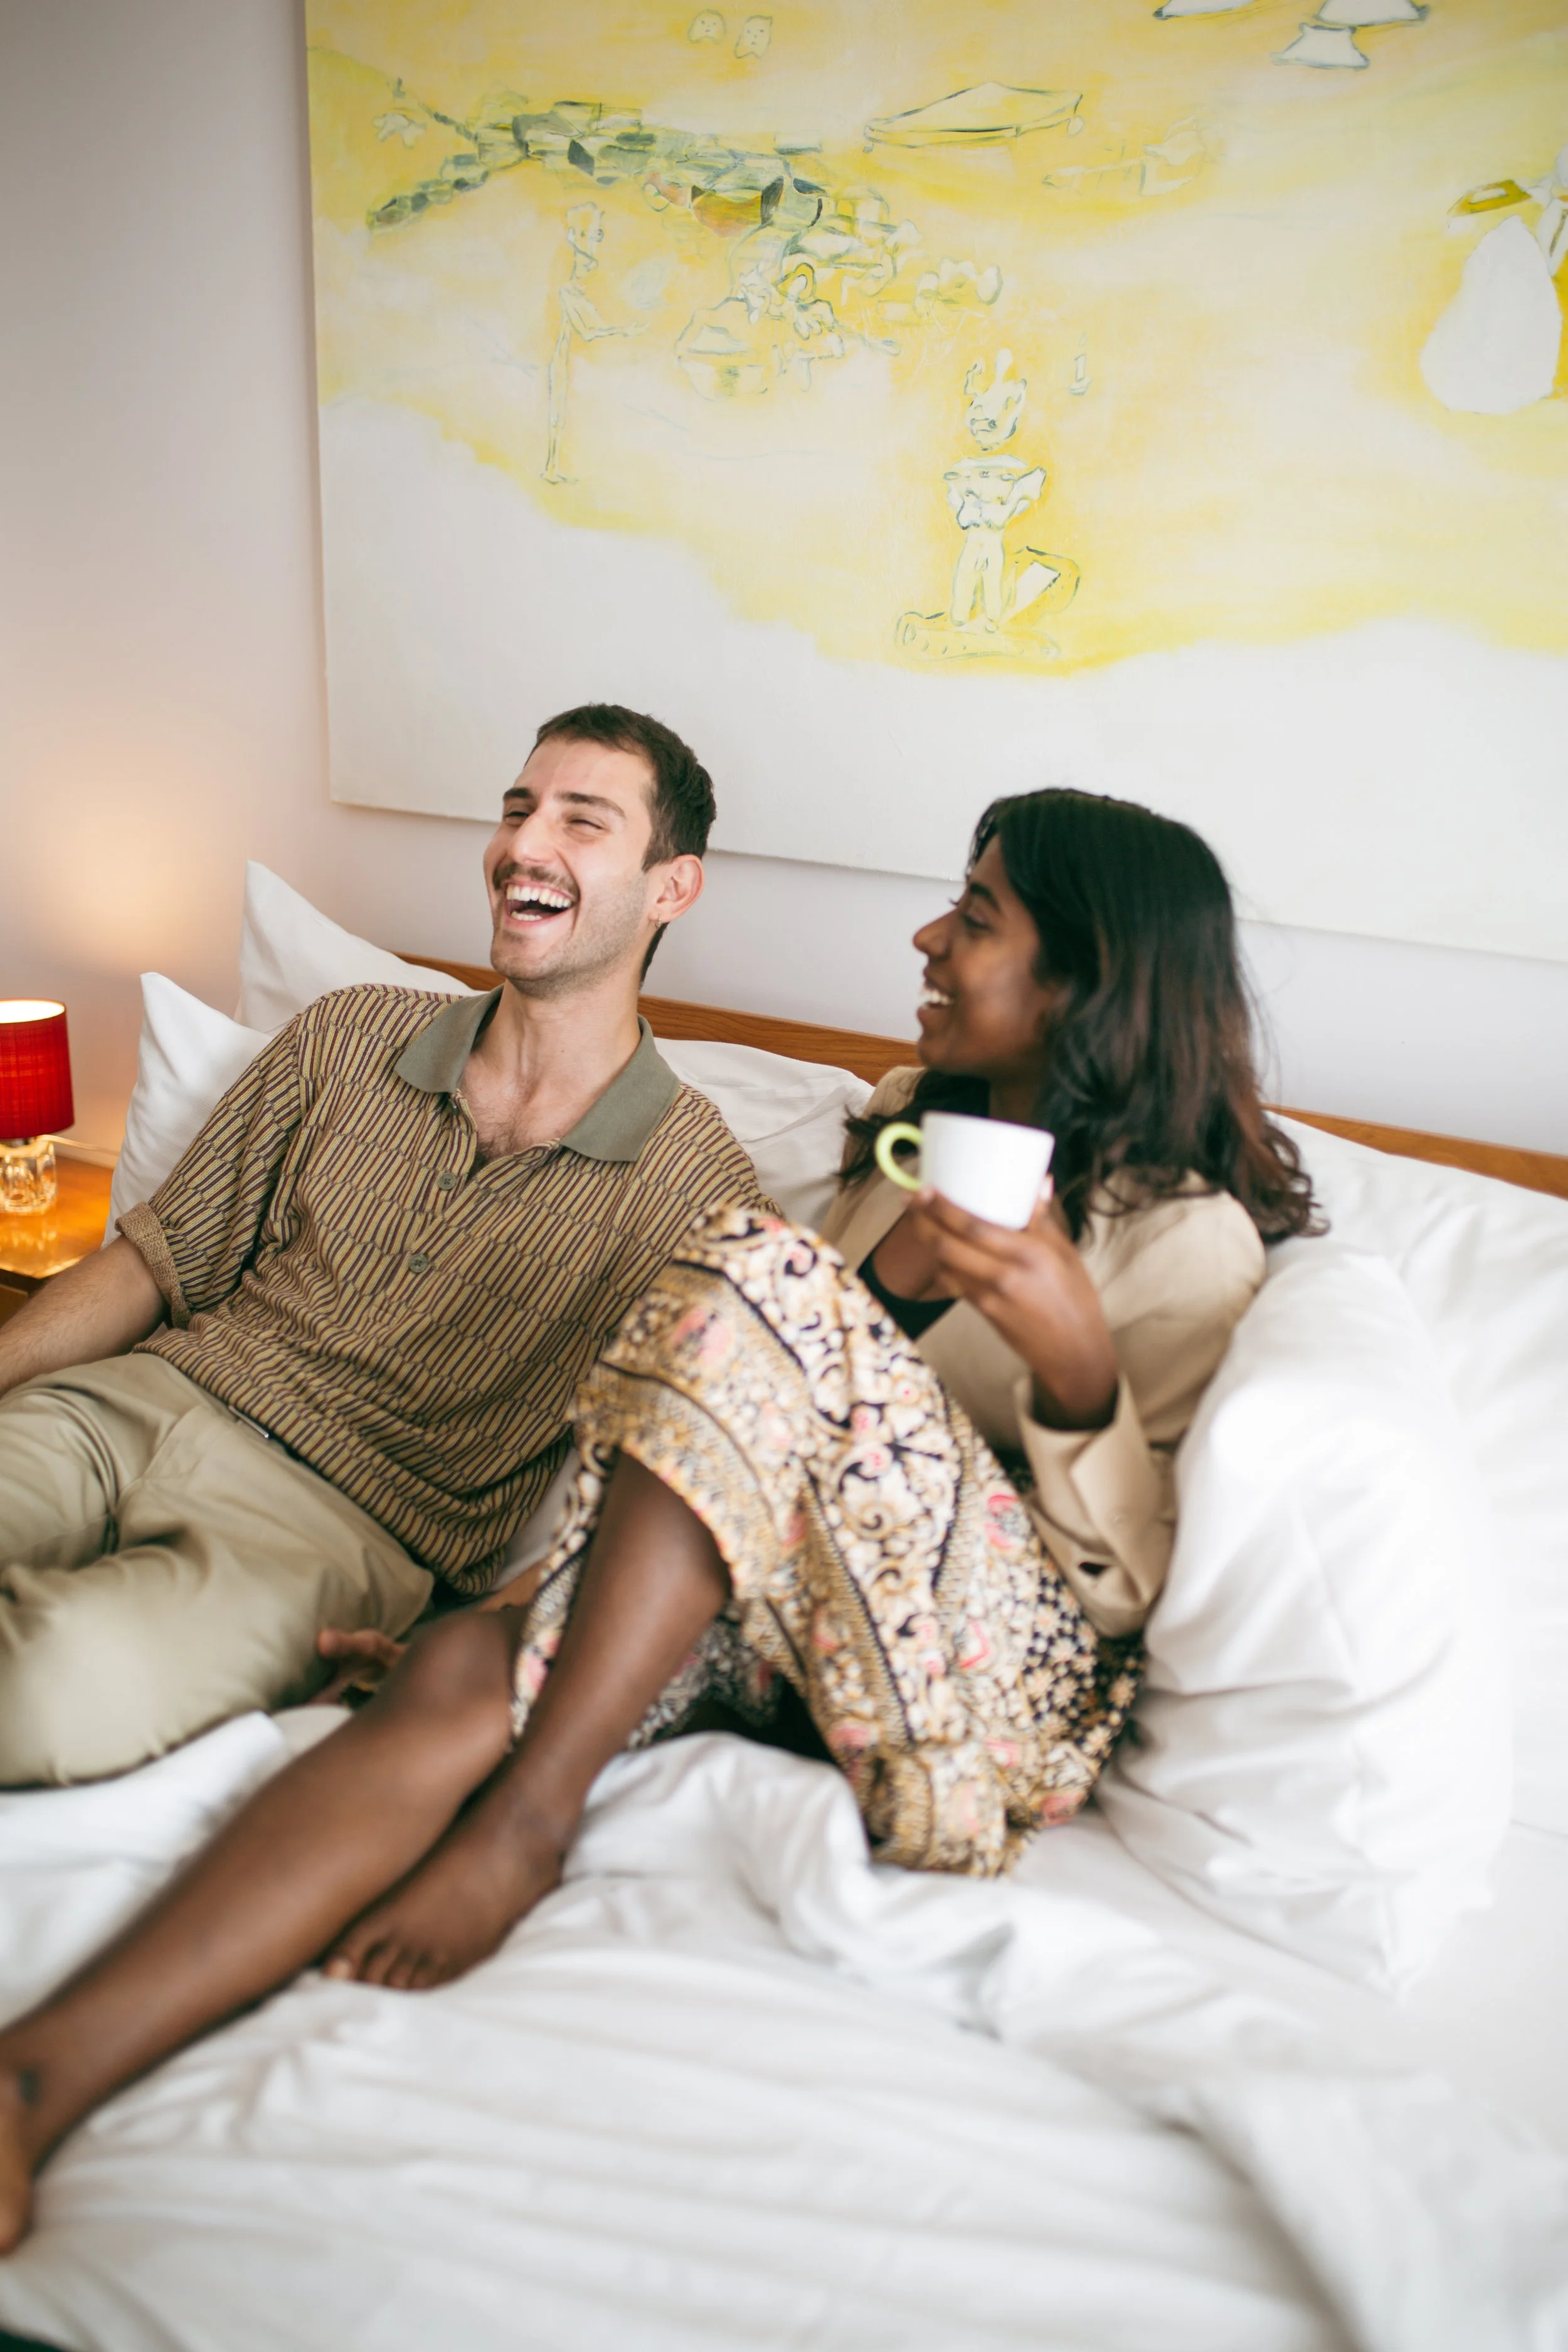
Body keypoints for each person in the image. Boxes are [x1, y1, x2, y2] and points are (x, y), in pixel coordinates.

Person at [0, 786, 1322, 2248]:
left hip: (981, 1714)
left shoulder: (1177, 1238)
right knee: (465, 1670)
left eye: (976, 916)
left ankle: (530, 1819)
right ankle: (33, 2081)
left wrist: (1075, 1376)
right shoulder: (907, 1142)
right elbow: (733, 1430)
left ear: (1081, 980)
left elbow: (1123, 1598)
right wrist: (524, 1605)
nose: (928, 940)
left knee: (757, 1272)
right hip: (804, 1626)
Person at [0, 704, 764, 1788]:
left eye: (581, 821)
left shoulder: (701, 1193)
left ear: (671, 887)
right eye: (517, 810)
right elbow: (147, 1264)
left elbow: (662, 1497)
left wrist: (481, 1643)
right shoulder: (348, 1031)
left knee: (46, 1692)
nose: (523, 845)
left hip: (331, 1530)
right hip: (133, 1403)